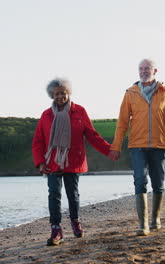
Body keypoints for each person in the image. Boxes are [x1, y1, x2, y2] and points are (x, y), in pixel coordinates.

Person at [32, 78, 113, 246]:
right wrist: (40, 162)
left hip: (73, 160)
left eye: (63, 93)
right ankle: (56, 229)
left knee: (73, 194)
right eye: (57, 94)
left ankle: (75, 222)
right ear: (52, 95)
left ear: (68, 93)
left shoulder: (79, 111)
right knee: (54, 194)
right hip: (52, 162)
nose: (60, 96)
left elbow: (92, 135)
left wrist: (109, 150)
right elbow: (38, 141)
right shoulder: (46, 115)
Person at [109, 59, 165, 236]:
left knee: (158, 183)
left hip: (159, 144)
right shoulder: (130, 93)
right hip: (137, 145)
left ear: (155, 70)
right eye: (141, 69)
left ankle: (155, 219)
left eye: (147, 68)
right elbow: (122, 122)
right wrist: (116, 146)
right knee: (140, 180)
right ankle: (143, 224)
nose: (144, 71)